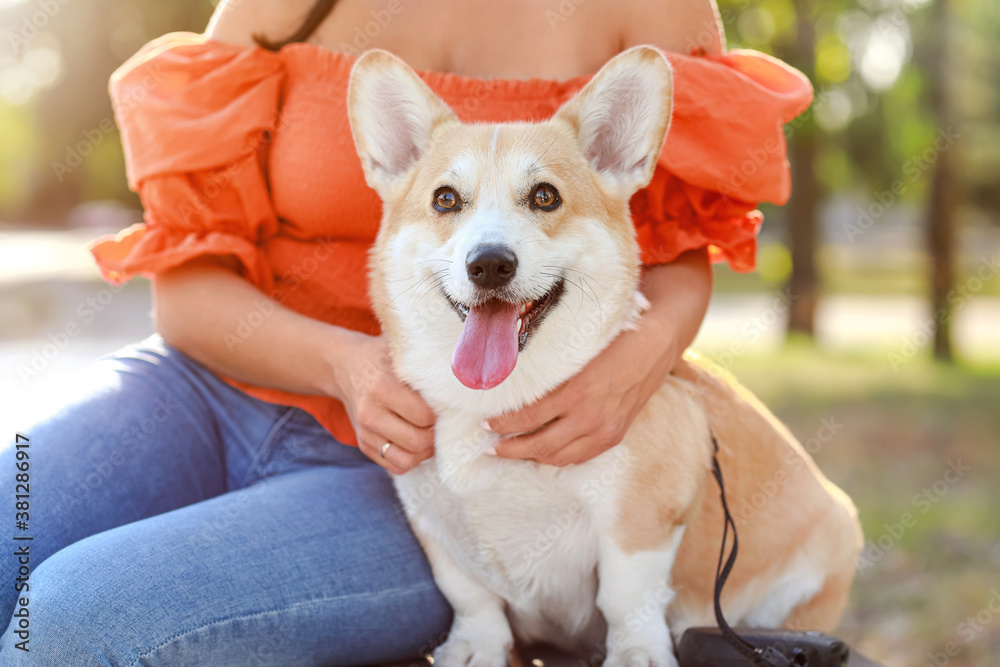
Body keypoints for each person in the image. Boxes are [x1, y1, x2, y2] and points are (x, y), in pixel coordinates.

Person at [0, 0, 812, 664]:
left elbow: (682, 246)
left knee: (74, 621)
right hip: (200, 392)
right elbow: (183, 290)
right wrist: (346, 366)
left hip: (422, 463)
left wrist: (635, 363)